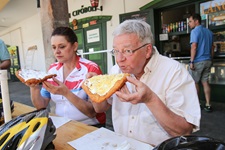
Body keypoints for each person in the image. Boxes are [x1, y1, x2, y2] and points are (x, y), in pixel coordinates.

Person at [89, 19, 201, 146]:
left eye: (127, 51)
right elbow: (100, 108)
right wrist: (94, 88)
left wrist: (150, 99)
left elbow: (185, 131)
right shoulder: (116, 71)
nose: (119, 59)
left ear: (147, 50)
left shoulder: (174, 72)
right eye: (115, 51)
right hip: (121, 145)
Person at [26, 27, 106, 127]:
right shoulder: (52, 70)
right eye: (54, 47)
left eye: (62, 46)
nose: (57, 52)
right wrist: (34, 88)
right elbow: (41, 105)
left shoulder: (91, 69)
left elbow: (92, 112)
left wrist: (66, 93)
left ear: (75, 46)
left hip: (89, 127)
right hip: (62, 125)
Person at [188, 13, 214, 112]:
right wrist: (211, 59)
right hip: (208, 60)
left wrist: (191, 61)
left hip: (198, 61)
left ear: (196, 21)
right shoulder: (209, 32)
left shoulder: (195, 31)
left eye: (190, 21)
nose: (189, 24)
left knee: (194, 82)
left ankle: (197, 104)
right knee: (205, 82)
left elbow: (194, 46)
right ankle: (208, 104)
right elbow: (212, 47)